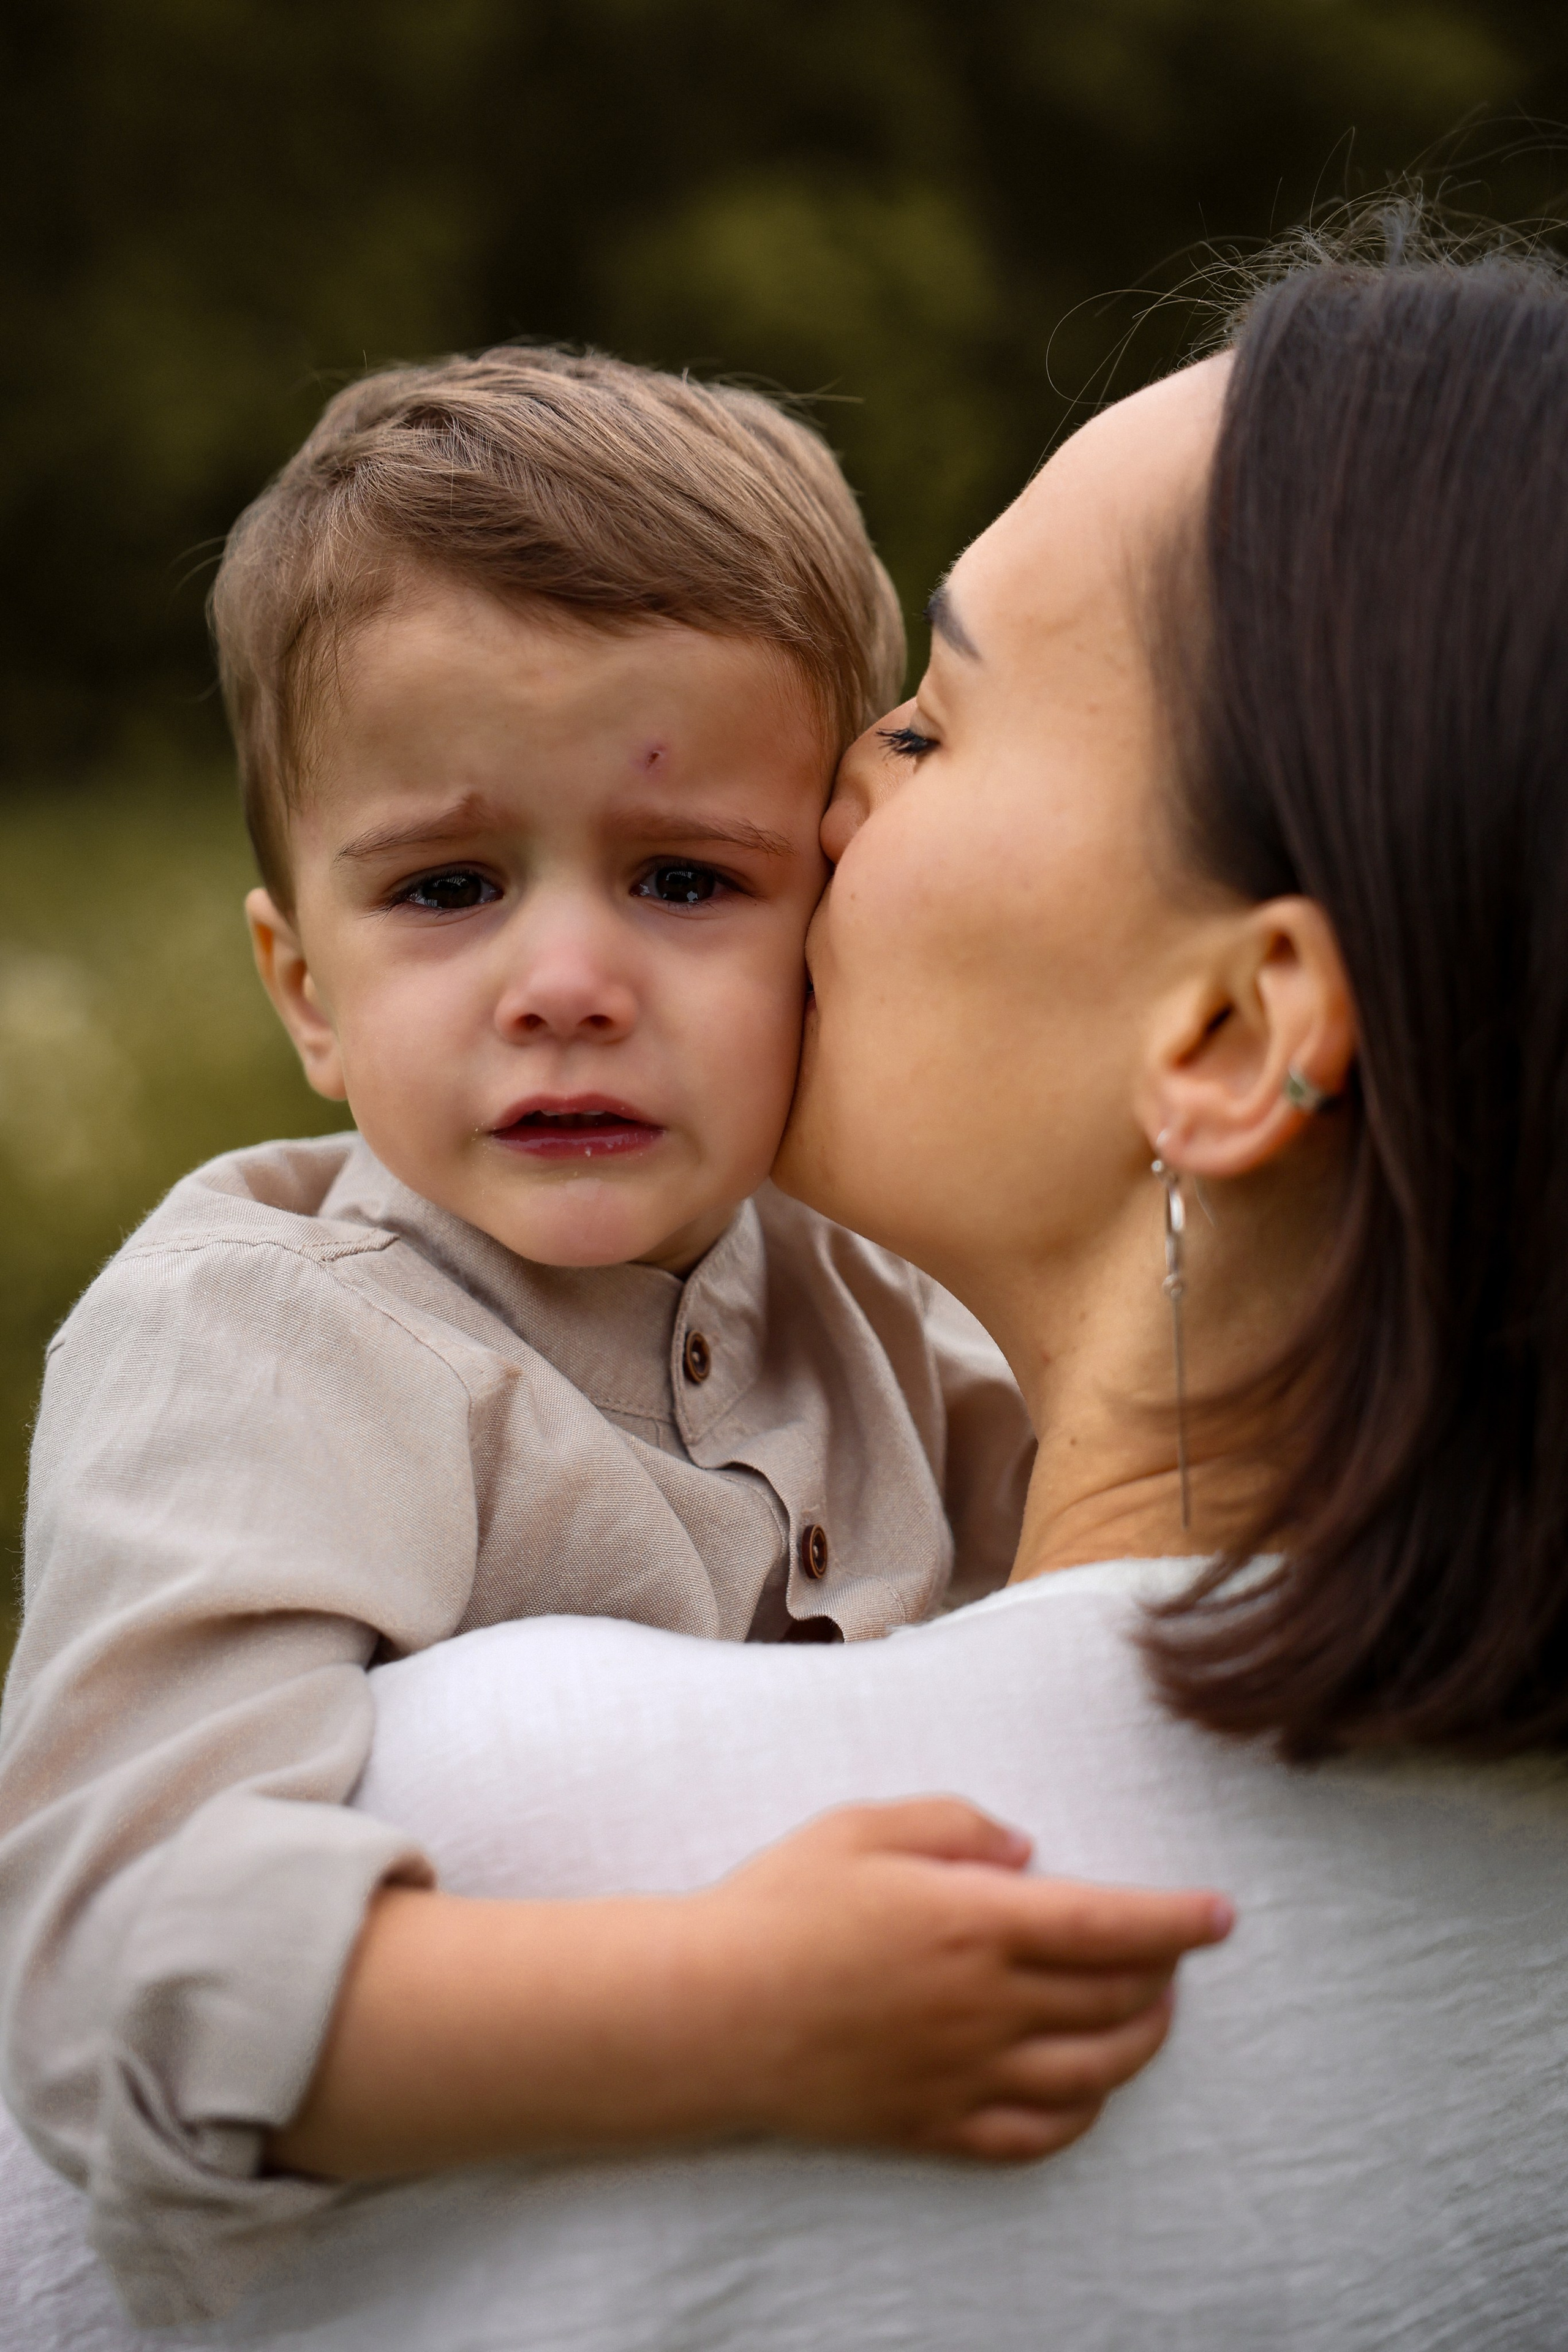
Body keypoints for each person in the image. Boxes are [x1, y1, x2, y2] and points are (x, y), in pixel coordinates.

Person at [12, 230, 1567, 2350]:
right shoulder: (279, 1339)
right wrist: (719, 1999)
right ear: (300, 975)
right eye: (452, 885)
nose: (834, 814)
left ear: (1221, 1038)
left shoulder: (831, 1410)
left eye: (922, 732)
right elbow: (117, 1982)